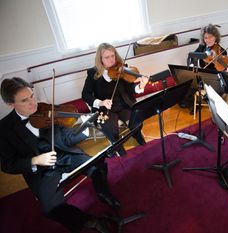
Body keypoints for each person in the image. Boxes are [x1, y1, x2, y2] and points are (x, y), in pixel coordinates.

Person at [0, 77, 120, 233]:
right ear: (10, 104)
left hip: (65, 156)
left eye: (32, 95)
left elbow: (64, 137)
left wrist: (83, 129)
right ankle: (91, 221)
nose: (33, 103)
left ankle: (104, 193)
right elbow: (8, 165)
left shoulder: (46, 111)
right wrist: (35, 160)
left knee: (98, 164)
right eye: (24, 100)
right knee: (50, 209)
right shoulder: (4, 129)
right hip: (42, 172)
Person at [82, 43, 149, 156]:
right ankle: (116, 143)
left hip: (124, 104)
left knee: (136, 121)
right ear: (100, 59)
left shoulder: (121, 69)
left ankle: (137, 134)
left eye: (113, 56)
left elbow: (130, 88)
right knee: (110, 128)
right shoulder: (93, 73)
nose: (111, 60)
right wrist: (100, 102)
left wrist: (141, 86)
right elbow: (85, 94)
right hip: (106, 108)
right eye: (107, 57)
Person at [182, 24, 228, 114]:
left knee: (196, 87)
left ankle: (204, 101)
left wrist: (226, 69)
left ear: (216, 37)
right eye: (206, 38)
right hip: (202, 75)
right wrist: (191, 64)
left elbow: (222, 68)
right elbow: (191, 56)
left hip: (213, 78)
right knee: (187, 85)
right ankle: (196, 103)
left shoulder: (221, 51)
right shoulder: (202, 47)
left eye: (210, 37)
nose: (208, 40)